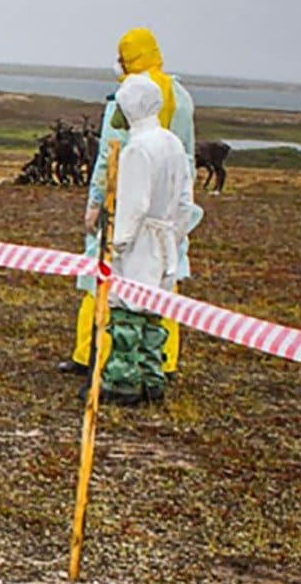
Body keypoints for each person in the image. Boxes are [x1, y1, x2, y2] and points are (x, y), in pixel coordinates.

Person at [60, 27, 199, 377]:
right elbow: (189, 161)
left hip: (126, 207)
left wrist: (95, 204)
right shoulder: (179, 97)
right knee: (164, 282)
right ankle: (161, 360)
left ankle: (94, 355)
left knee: (104, 277)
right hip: (166, 213)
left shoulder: (127, 99)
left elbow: (109, 156)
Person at [100, 74, 195, 404]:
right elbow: (185, 201)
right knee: (155, 314)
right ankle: (152, 380)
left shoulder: (138, 150)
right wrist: (174, 235)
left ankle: (123, 384)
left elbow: (134, 205)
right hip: (165, 240)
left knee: (129, 311)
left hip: (140, 244)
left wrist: (115, 244)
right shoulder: (172, 143)